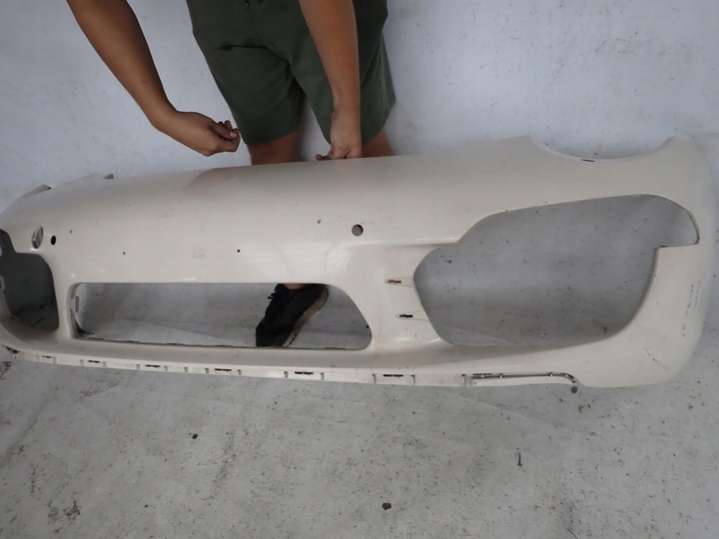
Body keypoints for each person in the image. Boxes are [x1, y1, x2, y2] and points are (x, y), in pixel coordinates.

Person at [66, 0, 395, 347]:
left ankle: (389, 284)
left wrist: (347, 107)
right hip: (221, 13)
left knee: (360, 149)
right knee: (269, 150)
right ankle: (298, 283)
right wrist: (162, 115)